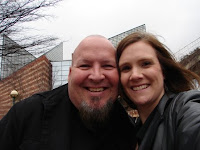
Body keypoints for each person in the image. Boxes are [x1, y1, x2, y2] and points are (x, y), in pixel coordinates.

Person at [0, 35, 136, 150]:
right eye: (85, 66)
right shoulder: (27, 115)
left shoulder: (131, 130)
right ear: (70, 74)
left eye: (107, 66)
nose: (96, 76)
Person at [116, 31, 200, 150]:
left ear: (163, 70)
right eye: (126, 68)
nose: (135, 75)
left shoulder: (185, 111)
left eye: (146, 64)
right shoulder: (130, 133)